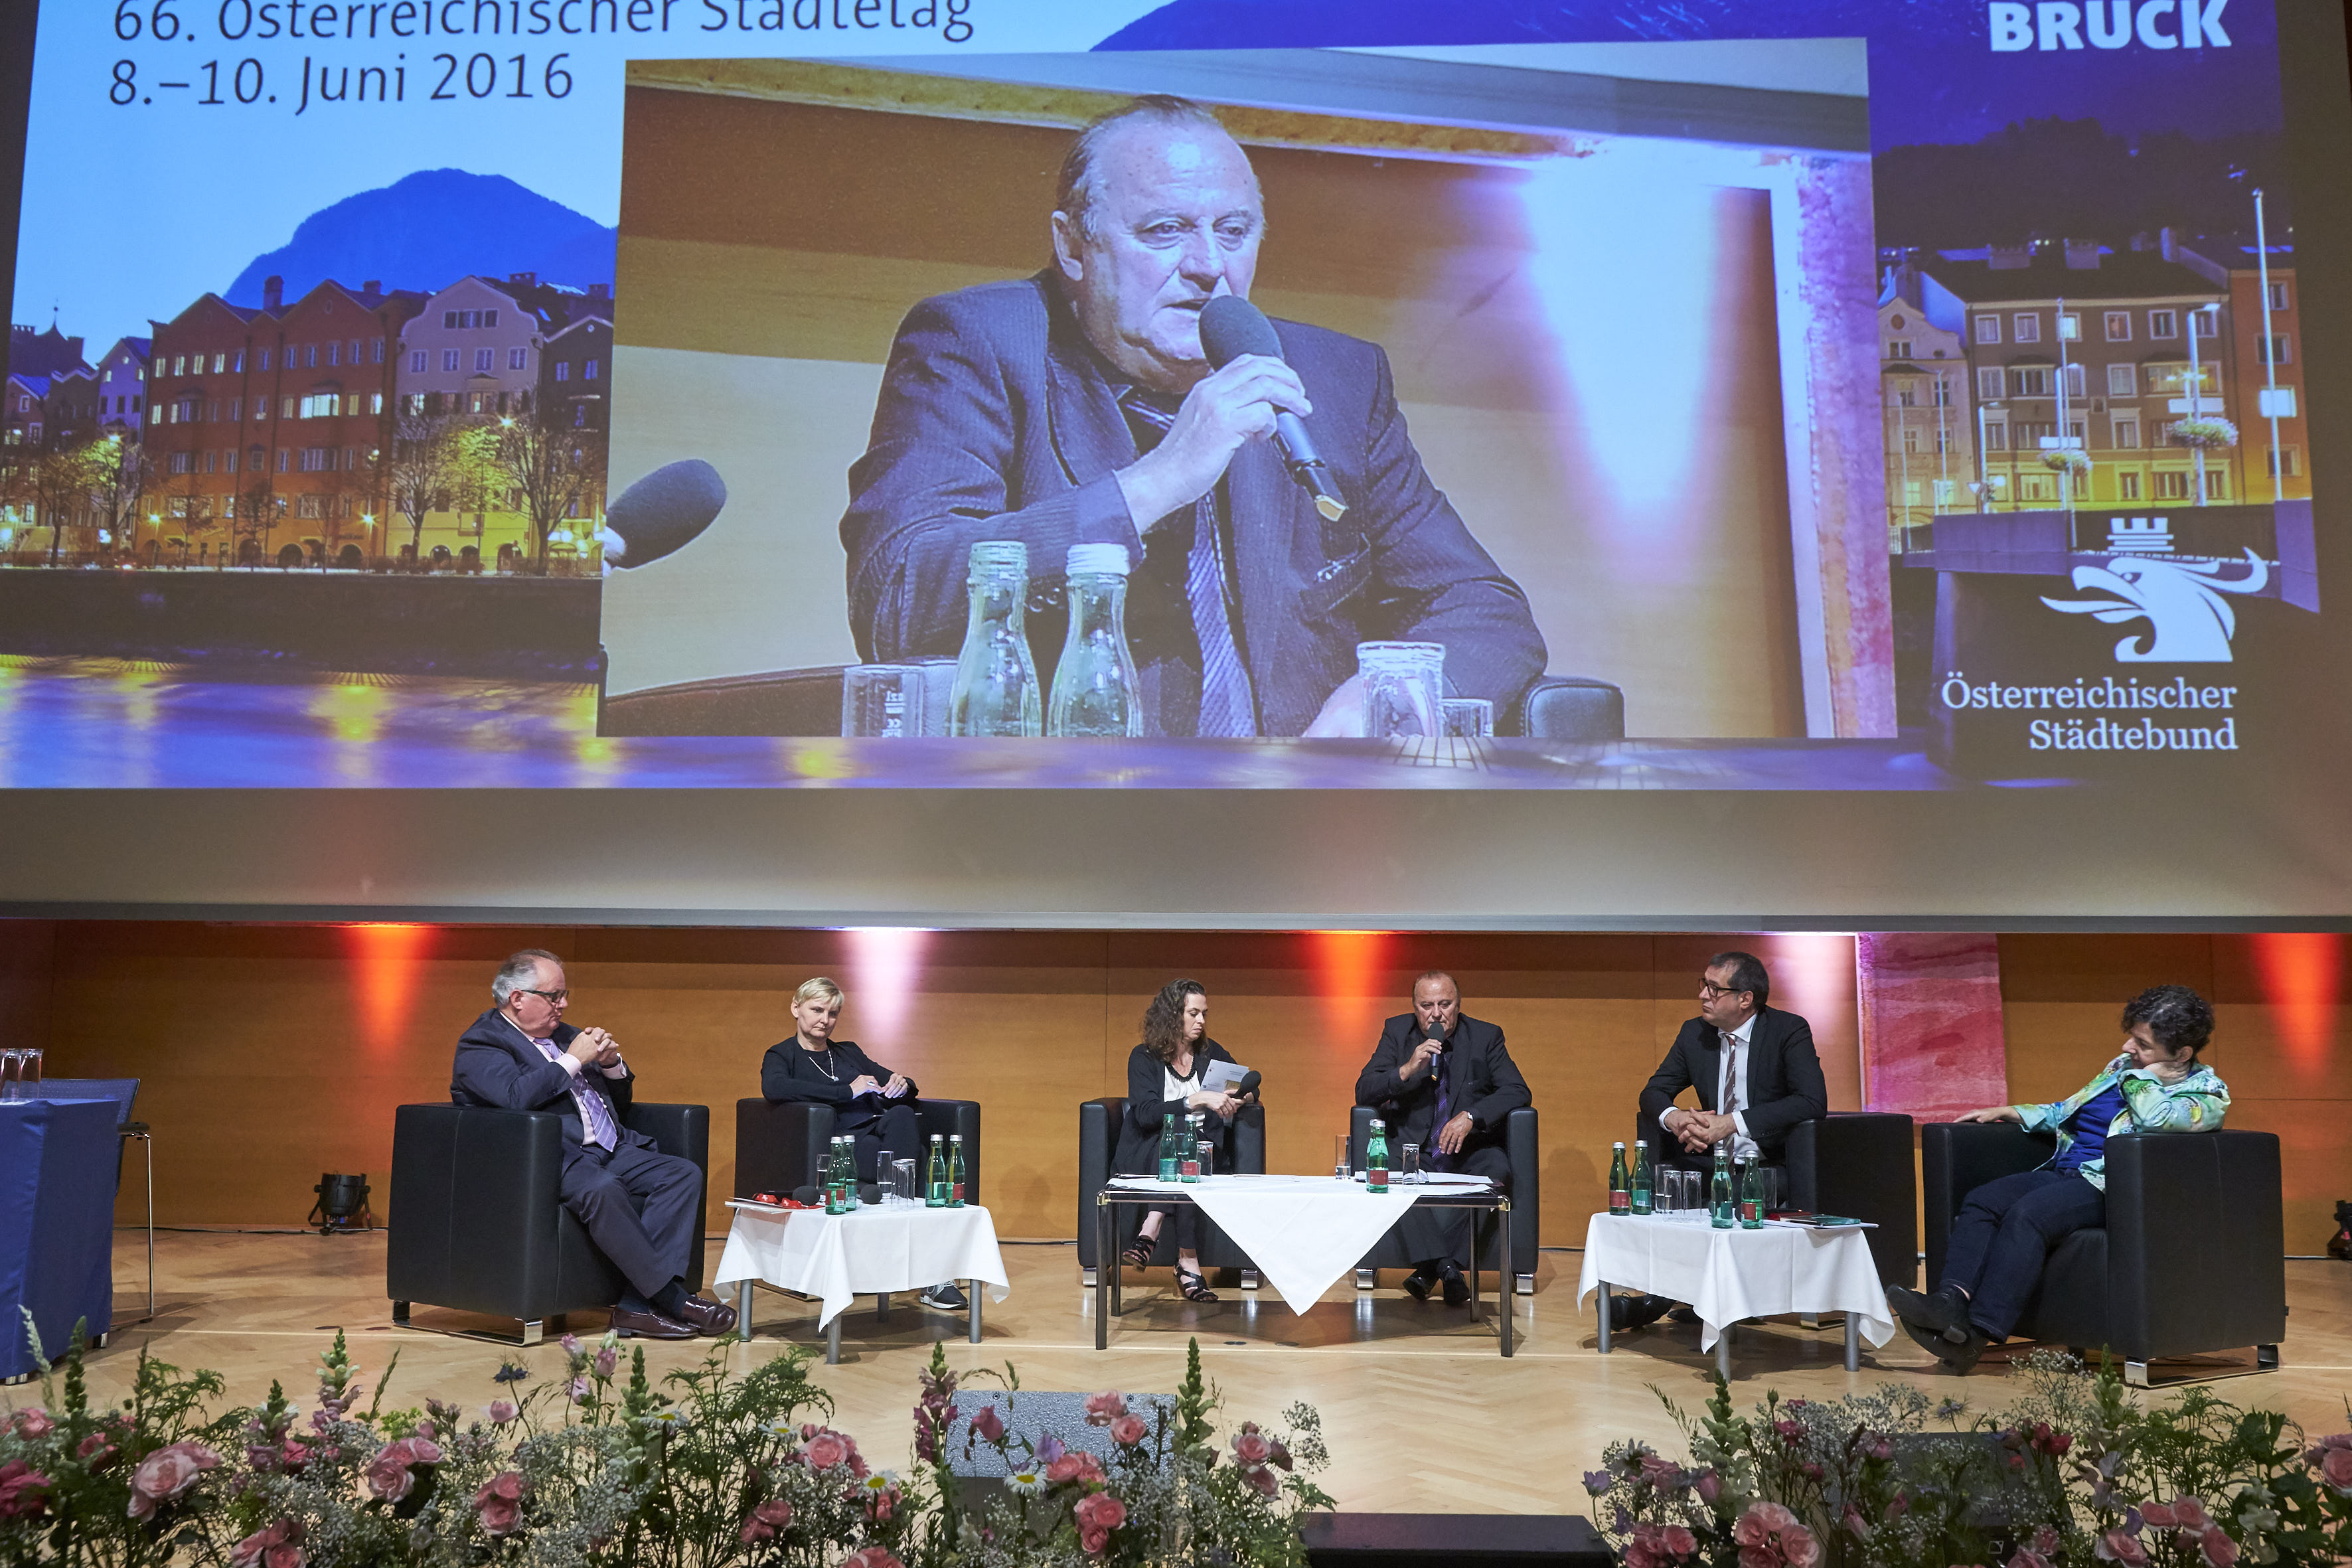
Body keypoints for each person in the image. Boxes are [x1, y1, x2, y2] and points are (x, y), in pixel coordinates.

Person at [839, 94, 1547, 738]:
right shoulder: (980, 345)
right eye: (1166, 230)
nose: (1210, 265)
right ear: (1073, 246)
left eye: (1234, 232)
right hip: (1074, 818)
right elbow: (899, 598)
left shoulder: (1334, 380)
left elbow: (1486, 610)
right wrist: (1162, 478)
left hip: (1303, 821)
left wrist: (1378, 702)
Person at [1891, 984, 2229, 1373]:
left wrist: (2144, 1078)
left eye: (2142, 1043)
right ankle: (1950, 1302)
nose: (2126, 1048)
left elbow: (2157, 1119)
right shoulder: (2119, 1069)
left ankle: (1975, 1335)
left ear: (2182, 1053)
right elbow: (2068, 1110)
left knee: (2030, 1214)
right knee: (1984, 1200)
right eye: (2131, 1037)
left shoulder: (2206, 1096)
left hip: (2115, 1188)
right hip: (2069, 1171)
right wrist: (2012, 1111)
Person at [451, 949, 737, 1341]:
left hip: (610, 1147)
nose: (564, 1005)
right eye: (554, 996)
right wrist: (570, 1062)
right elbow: (515, 1098)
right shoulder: (482, 1044)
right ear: (517, 998)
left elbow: (617, 1103)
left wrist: (611, 1064)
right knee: (603, 1190)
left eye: (565, 994)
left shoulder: (566, 1035)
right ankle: (672, 1298)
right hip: (550, 1156)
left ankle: (636, 1307)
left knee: (681, 1174)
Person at [1617, 952, 1828, 1330]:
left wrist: (1732, 1124)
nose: (1703, 996)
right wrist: (1678, 1118)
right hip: (1705, 1159)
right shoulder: (1693, 1033)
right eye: (1703, 984)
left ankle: (1654, 1304)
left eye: (1714, 989)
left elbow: (1812, 1100)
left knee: (1724, 1199)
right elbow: (1653, 1092)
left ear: (1745, 999)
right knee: (1666, 1193)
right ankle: (1699, 1298)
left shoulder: (1787, 1031)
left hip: (1763, 1163)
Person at [759, 977, 966, 1312]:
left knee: (901, 1114)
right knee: (921, 1162)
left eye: (833, 1013)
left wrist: (903, 1083)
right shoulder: (783, 1055)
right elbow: (775, 1088)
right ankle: (933, 1273)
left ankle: (909, 1238)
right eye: (817, 1010)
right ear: (796, 1008)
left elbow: (897, 1082)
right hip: (839, 1150)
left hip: (880, 1136)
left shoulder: (847, 1052)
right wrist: (847, 1092)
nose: (824, 1020)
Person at [1352, 971, 1531, 1305]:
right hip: (1411, 1150)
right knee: (1387, 1173)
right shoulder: (1396, 1032)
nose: (1436, 1014)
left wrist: (1471, 1116)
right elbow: (1364, 1090)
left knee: (1497, 1168)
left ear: (1458, 1006)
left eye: (1445, 1004)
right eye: (1426, 1006)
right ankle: (1448, 1269)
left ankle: (1429, 1271)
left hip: (1467, 1149)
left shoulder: (1485, 1036)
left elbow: (1517, 1090)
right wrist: (1407, 1069)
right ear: (1415, 1008)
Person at [1114, 979, 1255, 1302]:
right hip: (1150, 1151)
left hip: (1202, 1152)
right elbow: (1147, 1114)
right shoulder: (1144, 1057)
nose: (1202, 1021)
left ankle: (1151, 1227)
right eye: (1194, 1013)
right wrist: (1197, 1099)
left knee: (1189, 1144)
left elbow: (1249, 1083)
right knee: (1180, 1132)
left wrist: (1237, 1098)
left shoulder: (1210, 1053)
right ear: (1173, 1015)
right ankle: (1188, 1261)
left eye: (1204, 1013)